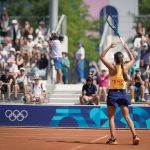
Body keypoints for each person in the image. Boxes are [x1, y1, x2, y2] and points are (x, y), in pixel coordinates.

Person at [99, 42, 140, 145]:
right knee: (127, 117)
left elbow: (101, 56)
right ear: (122, 59)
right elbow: (133, 59)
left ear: (114, 59)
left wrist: (109, 46)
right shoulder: (125, 68)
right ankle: (135, 136)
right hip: (122, 93)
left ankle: (113, 139)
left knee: (111, 118)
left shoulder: (112, 68)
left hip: (113, 94)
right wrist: (127, 48)